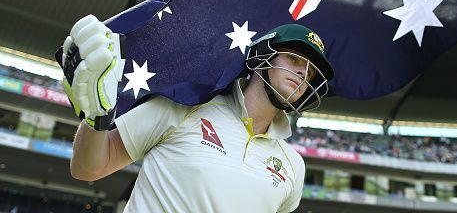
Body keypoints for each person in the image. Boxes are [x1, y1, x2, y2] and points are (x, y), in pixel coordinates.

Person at [60, 15, 335, 212]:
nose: (303, 73)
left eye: (310, 72)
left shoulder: (293, 165)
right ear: (263, 56)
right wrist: (97, 118)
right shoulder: (184, 106)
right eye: (295, 59)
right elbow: (88, 168)